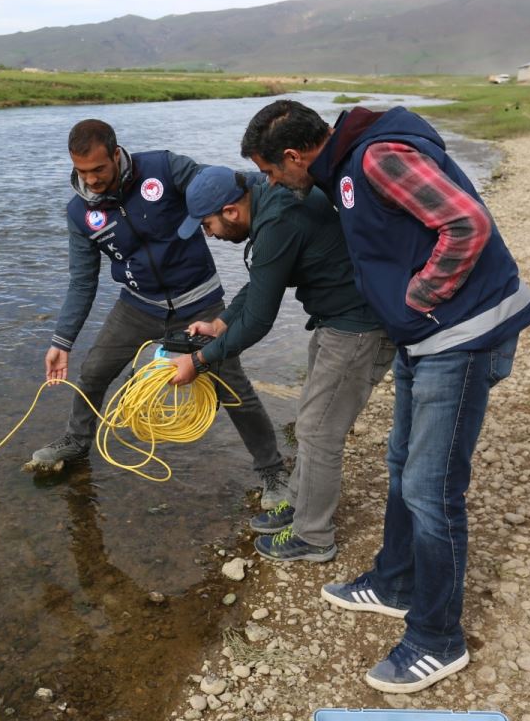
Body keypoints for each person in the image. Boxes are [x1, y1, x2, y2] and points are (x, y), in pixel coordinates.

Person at [240, 99, 530, 694]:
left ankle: (437, 638)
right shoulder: (347, 166)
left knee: (433, 491)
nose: (272, 184)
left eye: (273, 172)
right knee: (402, 465)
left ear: (295, 157)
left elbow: (467, 225)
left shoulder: (377, 158)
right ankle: (395, 581)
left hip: (457, 336)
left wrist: (419, 297)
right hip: (423, 340)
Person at [29, 119, 290, 509]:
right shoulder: (79, 213)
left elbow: (225, 184)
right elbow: (83, 282)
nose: (92, 180)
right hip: (137, 305)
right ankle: (77, 442)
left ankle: (272, 470)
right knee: (95, 370)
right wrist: (61, 342)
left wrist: (283, 180)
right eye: (82, 172)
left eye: (99, 169)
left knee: (233, 387)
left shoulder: (164, 168)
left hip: (200, 302)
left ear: (116, 155)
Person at [166, 166, 394, 563]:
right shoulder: (267, 199)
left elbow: (258, 320)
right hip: (335, 319)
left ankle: (313, 536)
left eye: (208, 225)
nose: (210, 235)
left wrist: (199, 361)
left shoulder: (277, 220)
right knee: (311, 420)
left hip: (360, 327)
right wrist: (220, 323)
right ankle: (299, 504)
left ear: (231, 212)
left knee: (320, 432)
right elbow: (260, 283)